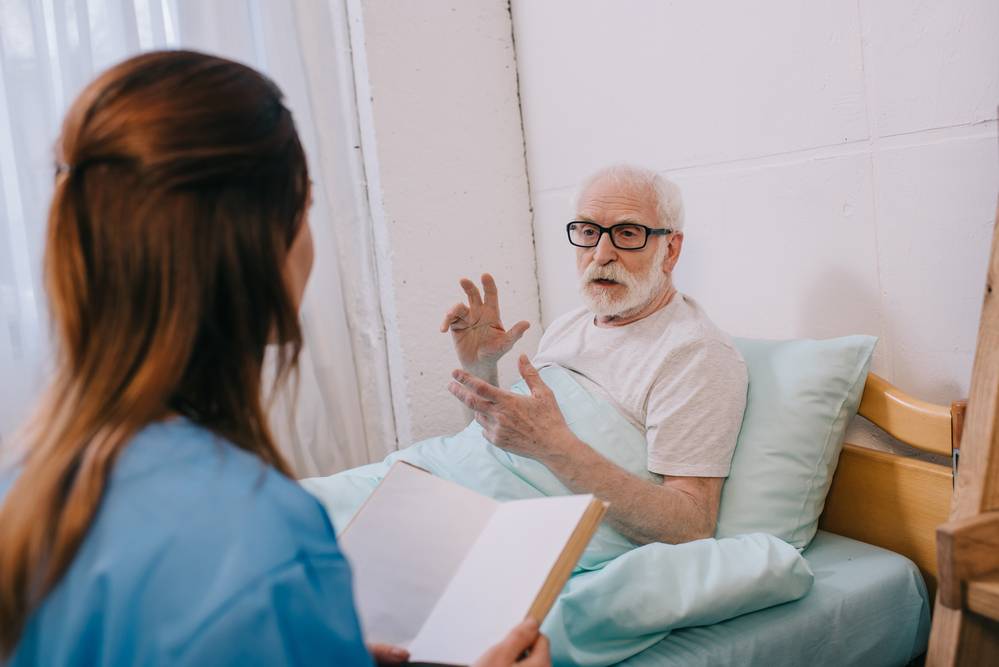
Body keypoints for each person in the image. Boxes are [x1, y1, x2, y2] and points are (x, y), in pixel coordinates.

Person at [0, 50, 549, 666]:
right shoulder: (261, 544)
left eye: (628, 231)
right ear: (257, 243)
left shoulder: (25, 486)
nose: (603, 251)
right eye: (307, 205)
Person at [443, 165, 748, 546]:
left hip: (503, 532)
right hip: (456, 493)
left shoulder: (693, 353)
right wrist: (480, 369)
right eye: (588, 232)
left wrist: (554, 445)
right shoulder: (569, 326)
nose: (601, 254)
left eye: (627, 233)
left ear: (670, 250)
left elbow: (691, 523)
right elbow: (501, 450)